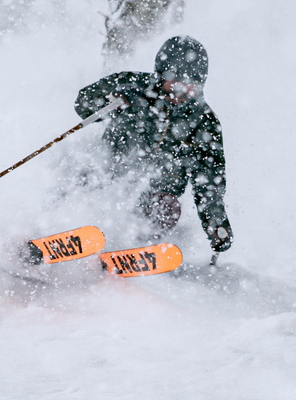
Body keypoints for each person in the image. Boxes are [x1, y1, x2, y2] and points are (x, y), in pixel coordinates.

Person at [74, 36, 233, 253]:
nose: (183, 92)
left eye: (192, 86)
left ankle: (132, 252)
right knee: (80, 172)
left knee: (167, 206)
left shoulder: (203, 121)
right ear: (161, 75)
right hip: (107, 178)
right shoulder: (132, 85)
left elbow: (209, 181)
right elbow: (83, 103)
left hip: (153, 197)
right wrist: (111, 98)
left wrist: (216, 225)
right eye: (176, 82)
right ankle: (62, 232)